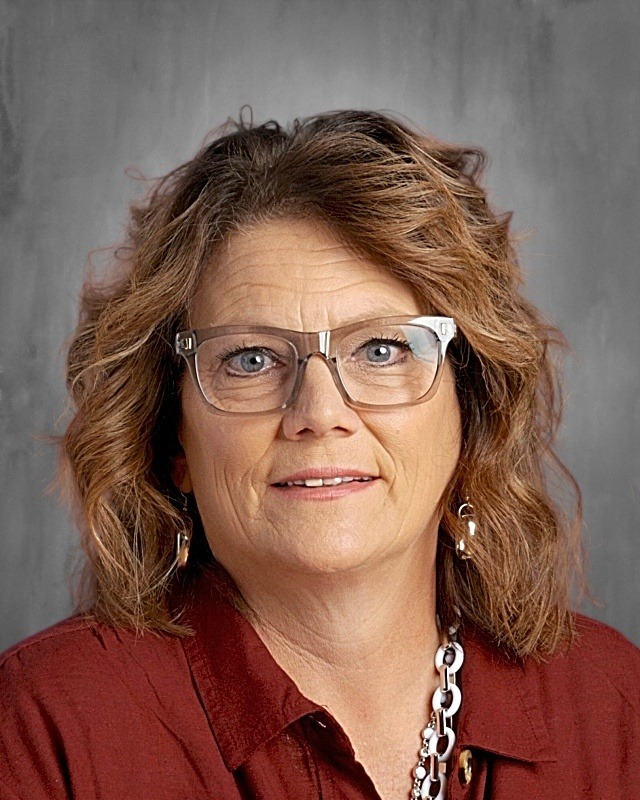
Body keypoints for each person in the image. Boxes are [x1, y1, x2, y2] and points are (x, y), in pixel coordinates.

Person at [1, 110, 638, 800]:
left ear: (471, 408)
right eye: (250, 359)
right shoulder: (46, 728)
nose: (319, 414)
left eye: (382, 350)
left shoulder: (613, 710)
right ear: (171, 433)